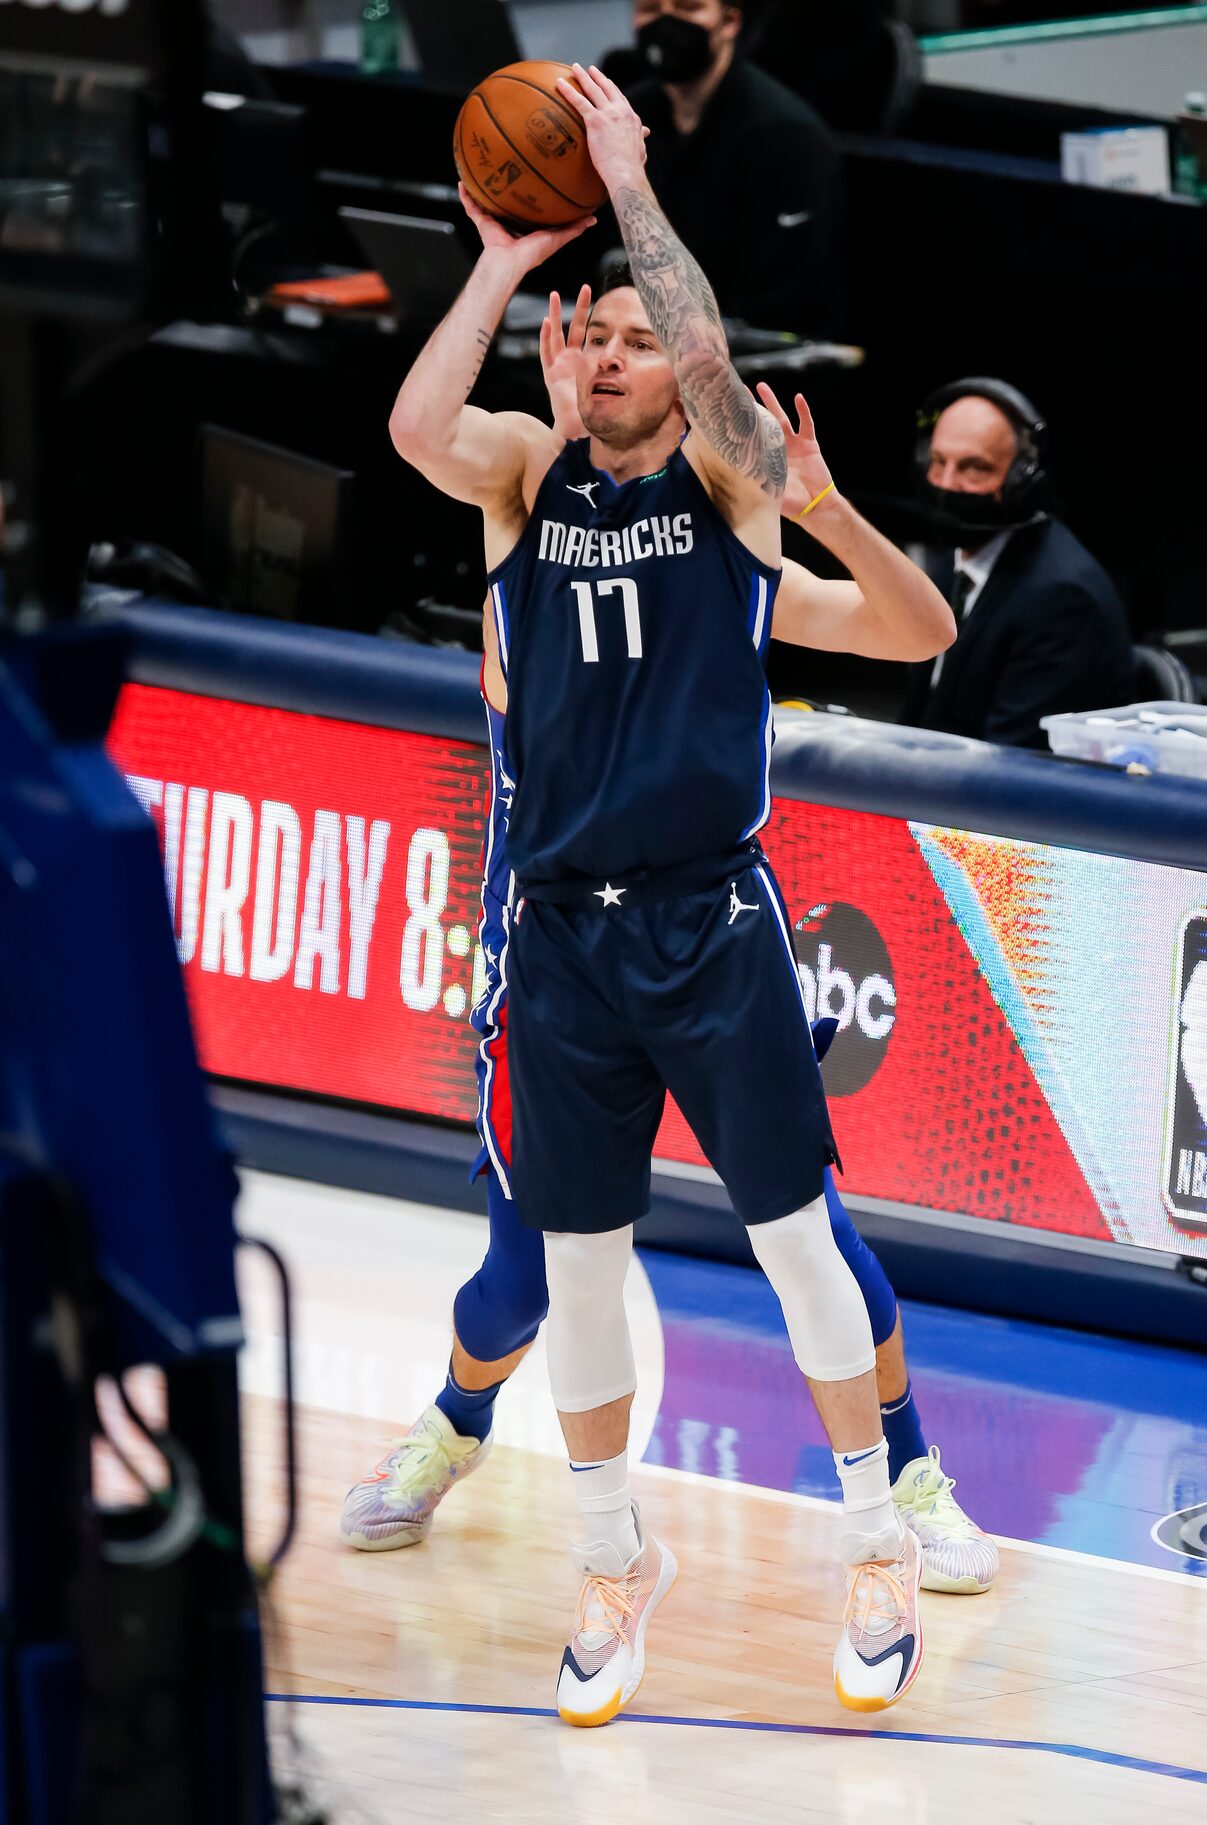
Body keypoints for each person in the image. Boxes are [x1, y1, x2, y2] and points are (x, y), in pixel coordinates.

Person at [379, 64, 950, 1725]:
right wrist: (497, 256)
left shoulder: (729, 485)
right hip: (562, 935)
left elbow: (718, 374)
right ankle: (614, 1557)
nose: (623, 350)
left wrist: (632, 195)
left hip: (708, 919)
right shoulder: (514, 477)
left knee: (795, 1243)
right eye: (598, 333)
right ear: (564, 356)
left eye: (641, 334)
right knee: (573, 1271)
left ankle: (873, 1534)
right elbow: (413, 426)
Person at [900, 378, 1133, 748]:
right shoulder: (953, 566)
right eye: (938, 462)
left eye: (973, 468)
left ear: (1021, 480)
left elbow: (1011, 763)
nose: (946, 483)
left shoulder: (1062, 600)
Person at [613, 0, 842, 332]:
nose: (665, 23)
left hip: (747, 360)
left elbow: (784, 303)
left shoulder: (785, 136)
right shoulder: (628, 115)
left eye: (688, 8)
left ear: (730, 21)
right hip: (644, 337)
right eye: (650, 9)